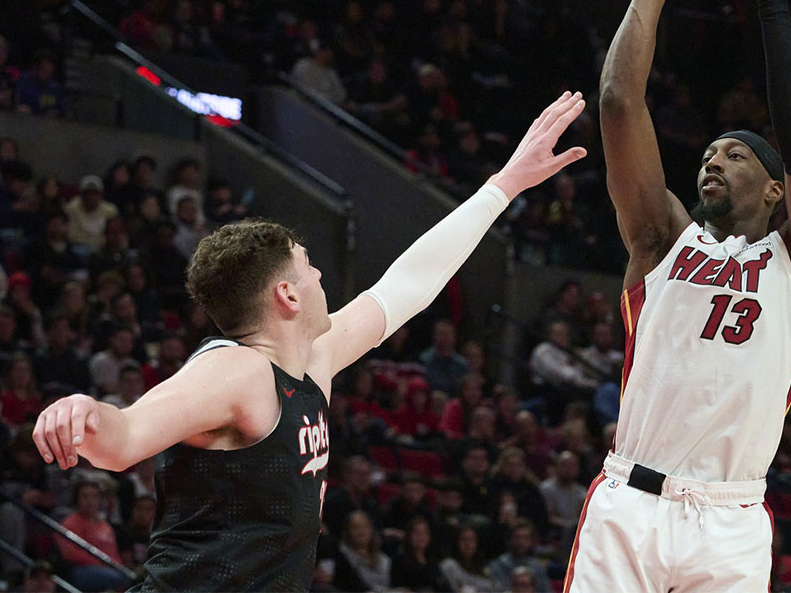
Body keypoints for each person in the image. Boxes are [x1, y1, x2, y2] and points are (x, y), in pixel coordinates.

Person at [33, 92, 588, 591]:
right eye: (309, 267)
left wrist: (505, 185)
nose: (322, 277)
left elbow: (409, 285)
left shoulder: (312, 359)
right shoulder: (236, 373)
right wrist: (83, 411)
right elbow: (125, 435)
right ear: (287, 297)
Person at [565, 0, 791, 591]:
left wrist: (772, 1)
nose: (712, 160)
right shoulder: (661, 240)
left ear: (775, 190)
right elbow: (619, 102)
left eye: (736, 154)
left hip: (732, 517)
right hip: (631, 503)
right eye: (709, 151)